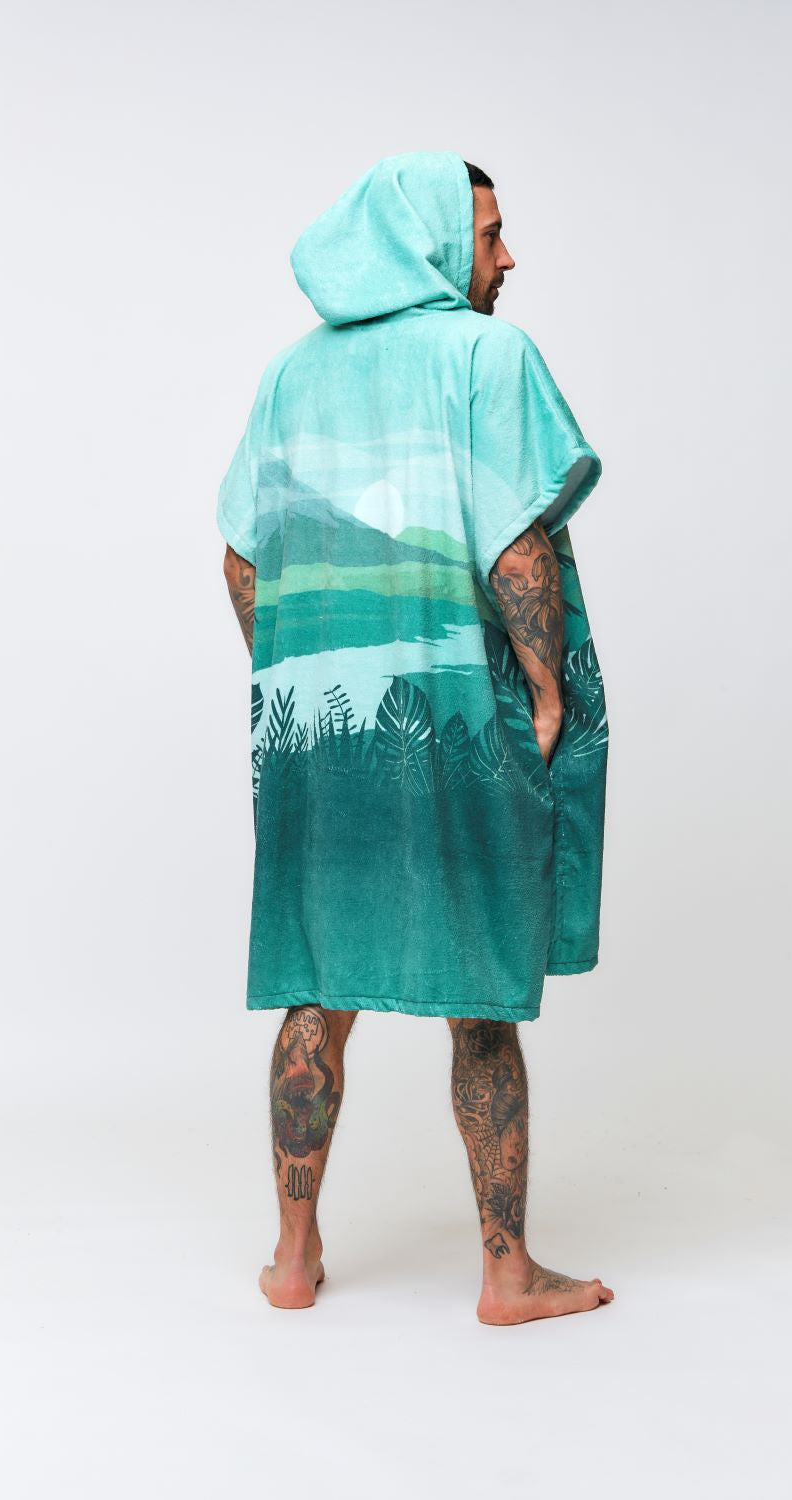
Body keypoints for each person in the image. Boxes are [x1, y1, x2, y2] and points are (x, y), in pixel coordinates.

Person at [218, 153, 613, 1324]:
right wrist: (543, 689)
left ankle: (293, 1261)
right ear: (432, 244)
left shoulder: (290, 374)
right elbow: (516, 544)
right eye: (487, 234)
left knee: (314, 980)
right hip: (455, 714)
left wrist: (292, 675)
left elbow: (241, 558)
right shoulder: (489, 356)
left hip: (318, 733)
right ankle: (506, 1272)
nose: (505, 257)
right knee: (477, 987)